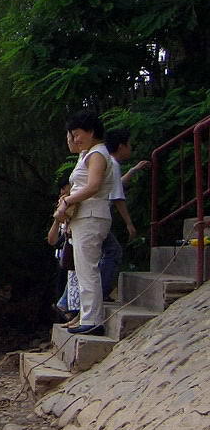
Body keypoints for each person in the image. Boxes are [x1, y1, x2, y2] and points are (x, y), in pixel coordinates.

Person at [54, 111, 114, 335]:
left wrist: (67, 200)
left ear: (91, 132)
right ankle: (87, 316)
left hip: (91, 215)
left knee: (88, 269)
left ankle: (93, 319)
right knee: (83, 269)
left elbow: (93, 186)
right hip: (82, 218)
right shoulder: (87, 154)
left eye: (77, 134)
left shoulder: (97, 154)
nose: (75, 139)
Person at [99, 128, 148, 300]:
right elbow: (118, 197)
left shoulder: (108, 162)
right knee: (113, 252)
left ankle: (98, 292)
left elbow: (115, 185)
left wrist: (133, 170)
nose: (131, 148)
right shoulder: (113, 165)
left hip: (94, 217)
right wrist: (129, 223)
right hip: (98, 217)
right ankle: (102, 292)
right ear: (121, 146)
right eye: (129, 145)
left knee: (103, 253)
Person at [48, 174, 80, 324]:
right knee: (68, 282)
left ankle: (68, 309)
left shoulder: (76, 200)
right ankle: (67, 311)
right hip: (65, 254)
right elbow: (52, 239)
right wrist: (58, 218)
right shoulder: (66, 204)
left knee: (72, 282)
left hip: (70, 251)